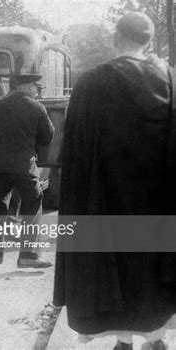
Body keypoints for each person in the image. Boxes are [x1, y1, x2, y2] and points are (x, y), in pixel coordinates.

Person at [53, 12, 176, 350]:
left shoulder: (90, 83)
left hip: (104, 202)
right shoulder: (170, 80)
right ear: (149, 42)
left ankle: (123, 339)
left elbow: (74, 154)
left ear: (116, 39)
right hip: (157, 207)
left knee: (112, 269)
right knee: (151, 272)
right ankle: (156, 338)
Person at [0, 74, 54, 268]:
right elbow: (48, 136)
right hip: (24, 167)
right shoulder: (37, 107)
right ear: (28, 86)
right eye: (36, 87)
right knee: (33, 204)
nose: (37, 91)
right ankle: (28, 256)